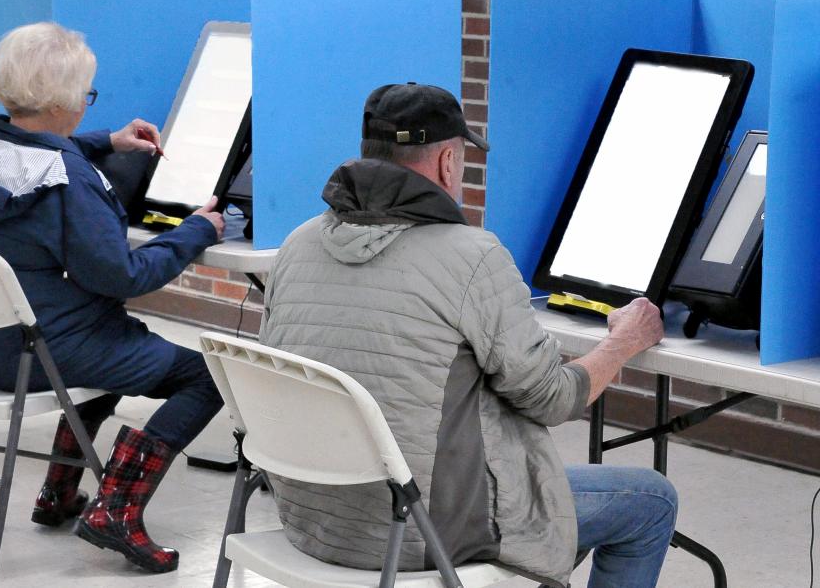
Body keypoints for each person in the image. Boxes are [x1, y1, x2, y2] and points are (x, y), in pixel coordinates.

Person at [259, 82, 677, 588]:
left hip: (312, 518)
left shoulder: (297, 244)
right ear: (448, 163)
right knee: (650, 501)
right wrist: (623, 342)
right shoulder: (471, 256)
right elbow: (552, 399)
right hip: (416, 530)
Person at [0, 22, 225, 574]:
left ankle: (58, 493)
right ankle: (116, 509)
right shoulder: (68, 180)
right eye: (85, 96)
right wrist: (196, 229)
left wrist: (109, 141)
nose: (86, 107)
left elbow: (27, 152)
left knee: (108, 351)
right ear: (65, 100)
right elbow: (121, 276)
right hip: (47, 350)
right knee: (206, 376)